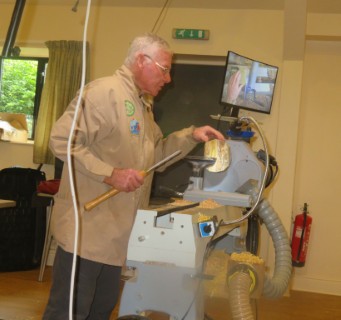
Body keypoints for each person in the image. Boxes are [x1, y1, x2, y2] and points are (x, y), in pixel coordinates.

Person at [43, 33, 224, 320]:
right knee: (69, 314)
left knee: (100, 311)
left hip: (116, 241)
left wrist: (191, 136)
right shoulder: (103, 93)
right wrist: (110, 174)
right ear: (141, 60)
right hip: (86, 235)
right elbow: (61, 140)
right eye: (164, 69)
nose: (168, 79)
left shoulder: (143, 107)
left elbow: (157, 158)